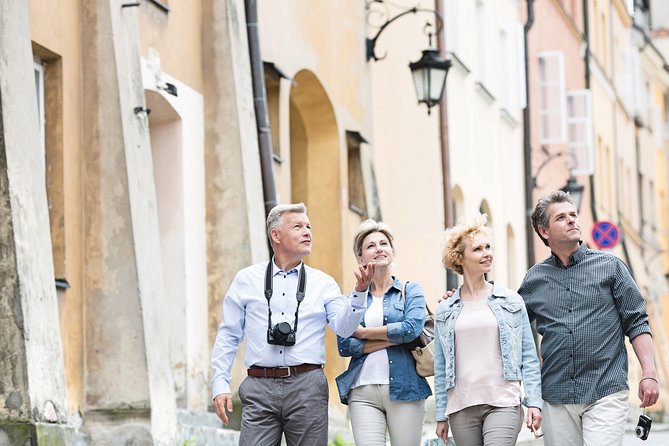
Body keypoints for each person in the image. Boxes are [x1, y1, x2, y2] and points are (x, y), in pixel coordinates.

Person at [210, 203, 371, 446]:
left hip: (307, 386)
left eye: (308, 227)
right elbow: (228, 335)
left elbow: (345, 328)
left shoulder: (324, 283)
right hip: (258, 386)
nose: (308, 232)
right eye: (298, 227)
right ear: (276, 235)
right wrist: (220, 384)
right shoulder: (246, 280)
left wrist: (359, 293)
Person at [518, 191, 660, 445]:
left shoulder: (611, 267)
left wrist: (649, 372)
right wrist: (460, 298)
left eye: (573, 214)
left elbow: (637, 321)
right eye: (561, 217)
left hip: (605, 388)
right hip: (556, 394)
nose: (572, 220)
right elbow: (510, 326)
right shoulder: (533, 280)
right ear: (544, 231)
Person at [434, 214, 543, 445]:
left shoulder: (511, 301)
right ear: (459, 258)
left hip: (503, 402)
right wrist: (440, 414)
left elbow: (529, 356)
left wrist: (534, 401)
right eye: (477, 249)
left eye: (488, 247)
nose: (487, 253)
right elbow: (441, 364)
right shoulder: (446, 309)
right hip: (461, 406)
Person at [335, 219, 432, 445]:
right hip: (362, 391)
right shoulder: (351, 299)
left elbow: (412, 329)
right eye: (370, 246)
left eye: (384, 243)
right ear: (361, 258)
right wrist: (392, 338)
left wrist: (364, 333)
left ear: (392, 251)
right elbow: (344, 345)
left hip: (406, 388)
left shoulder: (411, 290)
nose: (379, 248)